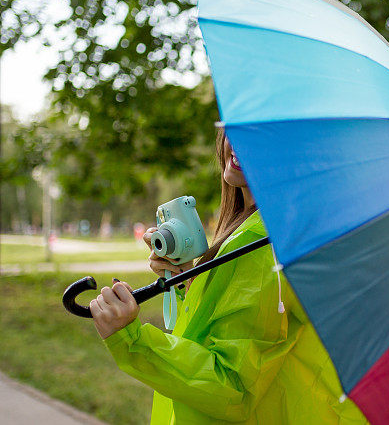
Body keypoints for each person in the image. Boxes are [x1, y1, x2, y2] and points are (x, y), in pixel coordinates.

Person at [89, 130, 368, 424]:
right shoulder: (272, 227)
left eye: (262, 137)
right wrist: (191, 283)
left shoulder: (262, 245)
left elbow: (233, 386)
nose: (238, 143)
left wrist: (132, 339)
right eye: (237, 127)